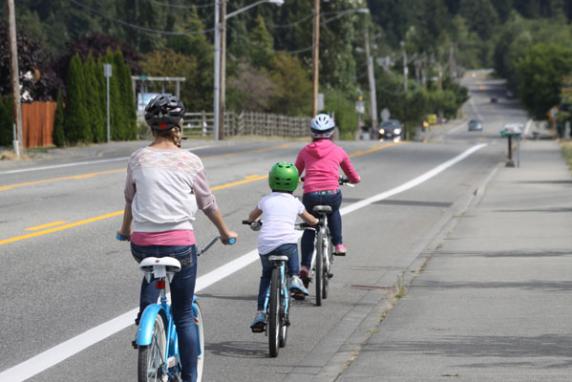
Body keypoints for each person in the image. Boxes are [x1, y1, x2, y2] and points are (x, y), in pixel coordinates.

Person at [117, 94, 237, 382]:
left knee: (150, 272)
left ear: (151, 127)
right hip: (180, 246)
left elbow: (130, 200)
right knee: (183, 315)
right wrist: (224, 232)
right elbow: (207, 203)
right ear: (177, 126)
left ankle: (146, 315)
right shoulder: (190, 161)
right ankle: (190, 377)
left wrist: (125, 231)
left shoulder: (137, 158)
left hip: (143, 243)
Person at [245, 162, 318, 332]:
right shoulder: (295, 202)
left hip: (266, 245)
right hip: (286, 243)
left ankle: (261, 313)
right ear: (294, 183)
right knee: (291, 246)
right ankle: (294, 277)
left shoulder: (265, 200)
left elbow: (251, 217)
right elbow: (311, 220)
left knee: (266, 276)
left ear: (271, 181)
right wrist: (315, 223)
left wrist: (253, 222)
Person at [295, 113, 361, 285]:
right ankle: (338, 244)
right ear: (332, 133)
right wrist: (353, 180)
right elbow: (353, 176)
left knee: (310, 226)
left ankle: (305, 267)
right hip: (331, 194)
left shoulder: (305, 151)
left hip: (311, 195)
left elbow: (295, 173)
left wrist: (302, 179)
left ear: (312, 132)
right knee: (334, 211)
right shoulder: (338, 151)